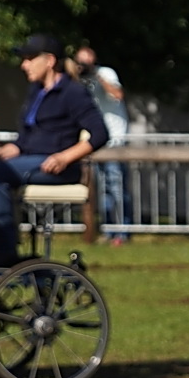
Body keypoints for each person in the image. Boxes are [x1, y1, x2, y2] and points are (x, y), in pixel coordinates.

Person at [0, 33, 109, 266]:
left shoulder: (72, 92)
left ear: (49, 61)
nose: (23, 65)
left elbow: (100, 134)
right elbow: (29, 138)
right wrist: (11, 148)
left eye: (29, 58)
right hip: (30, 160)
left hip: (57, 167)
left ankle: (4, 249)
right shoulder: (36, 92)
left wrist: (65, 156)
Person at [75, 45, 130, 244]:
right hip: (95, 140)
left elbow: (117, 94)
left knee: (116, 186)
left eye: (86, 62)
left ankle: (122, 231)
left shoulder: (105, 73)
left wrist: (97, 75)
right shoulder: (80, 80)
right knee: (100, 189)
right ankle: (108, 230)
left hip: (115, 138)